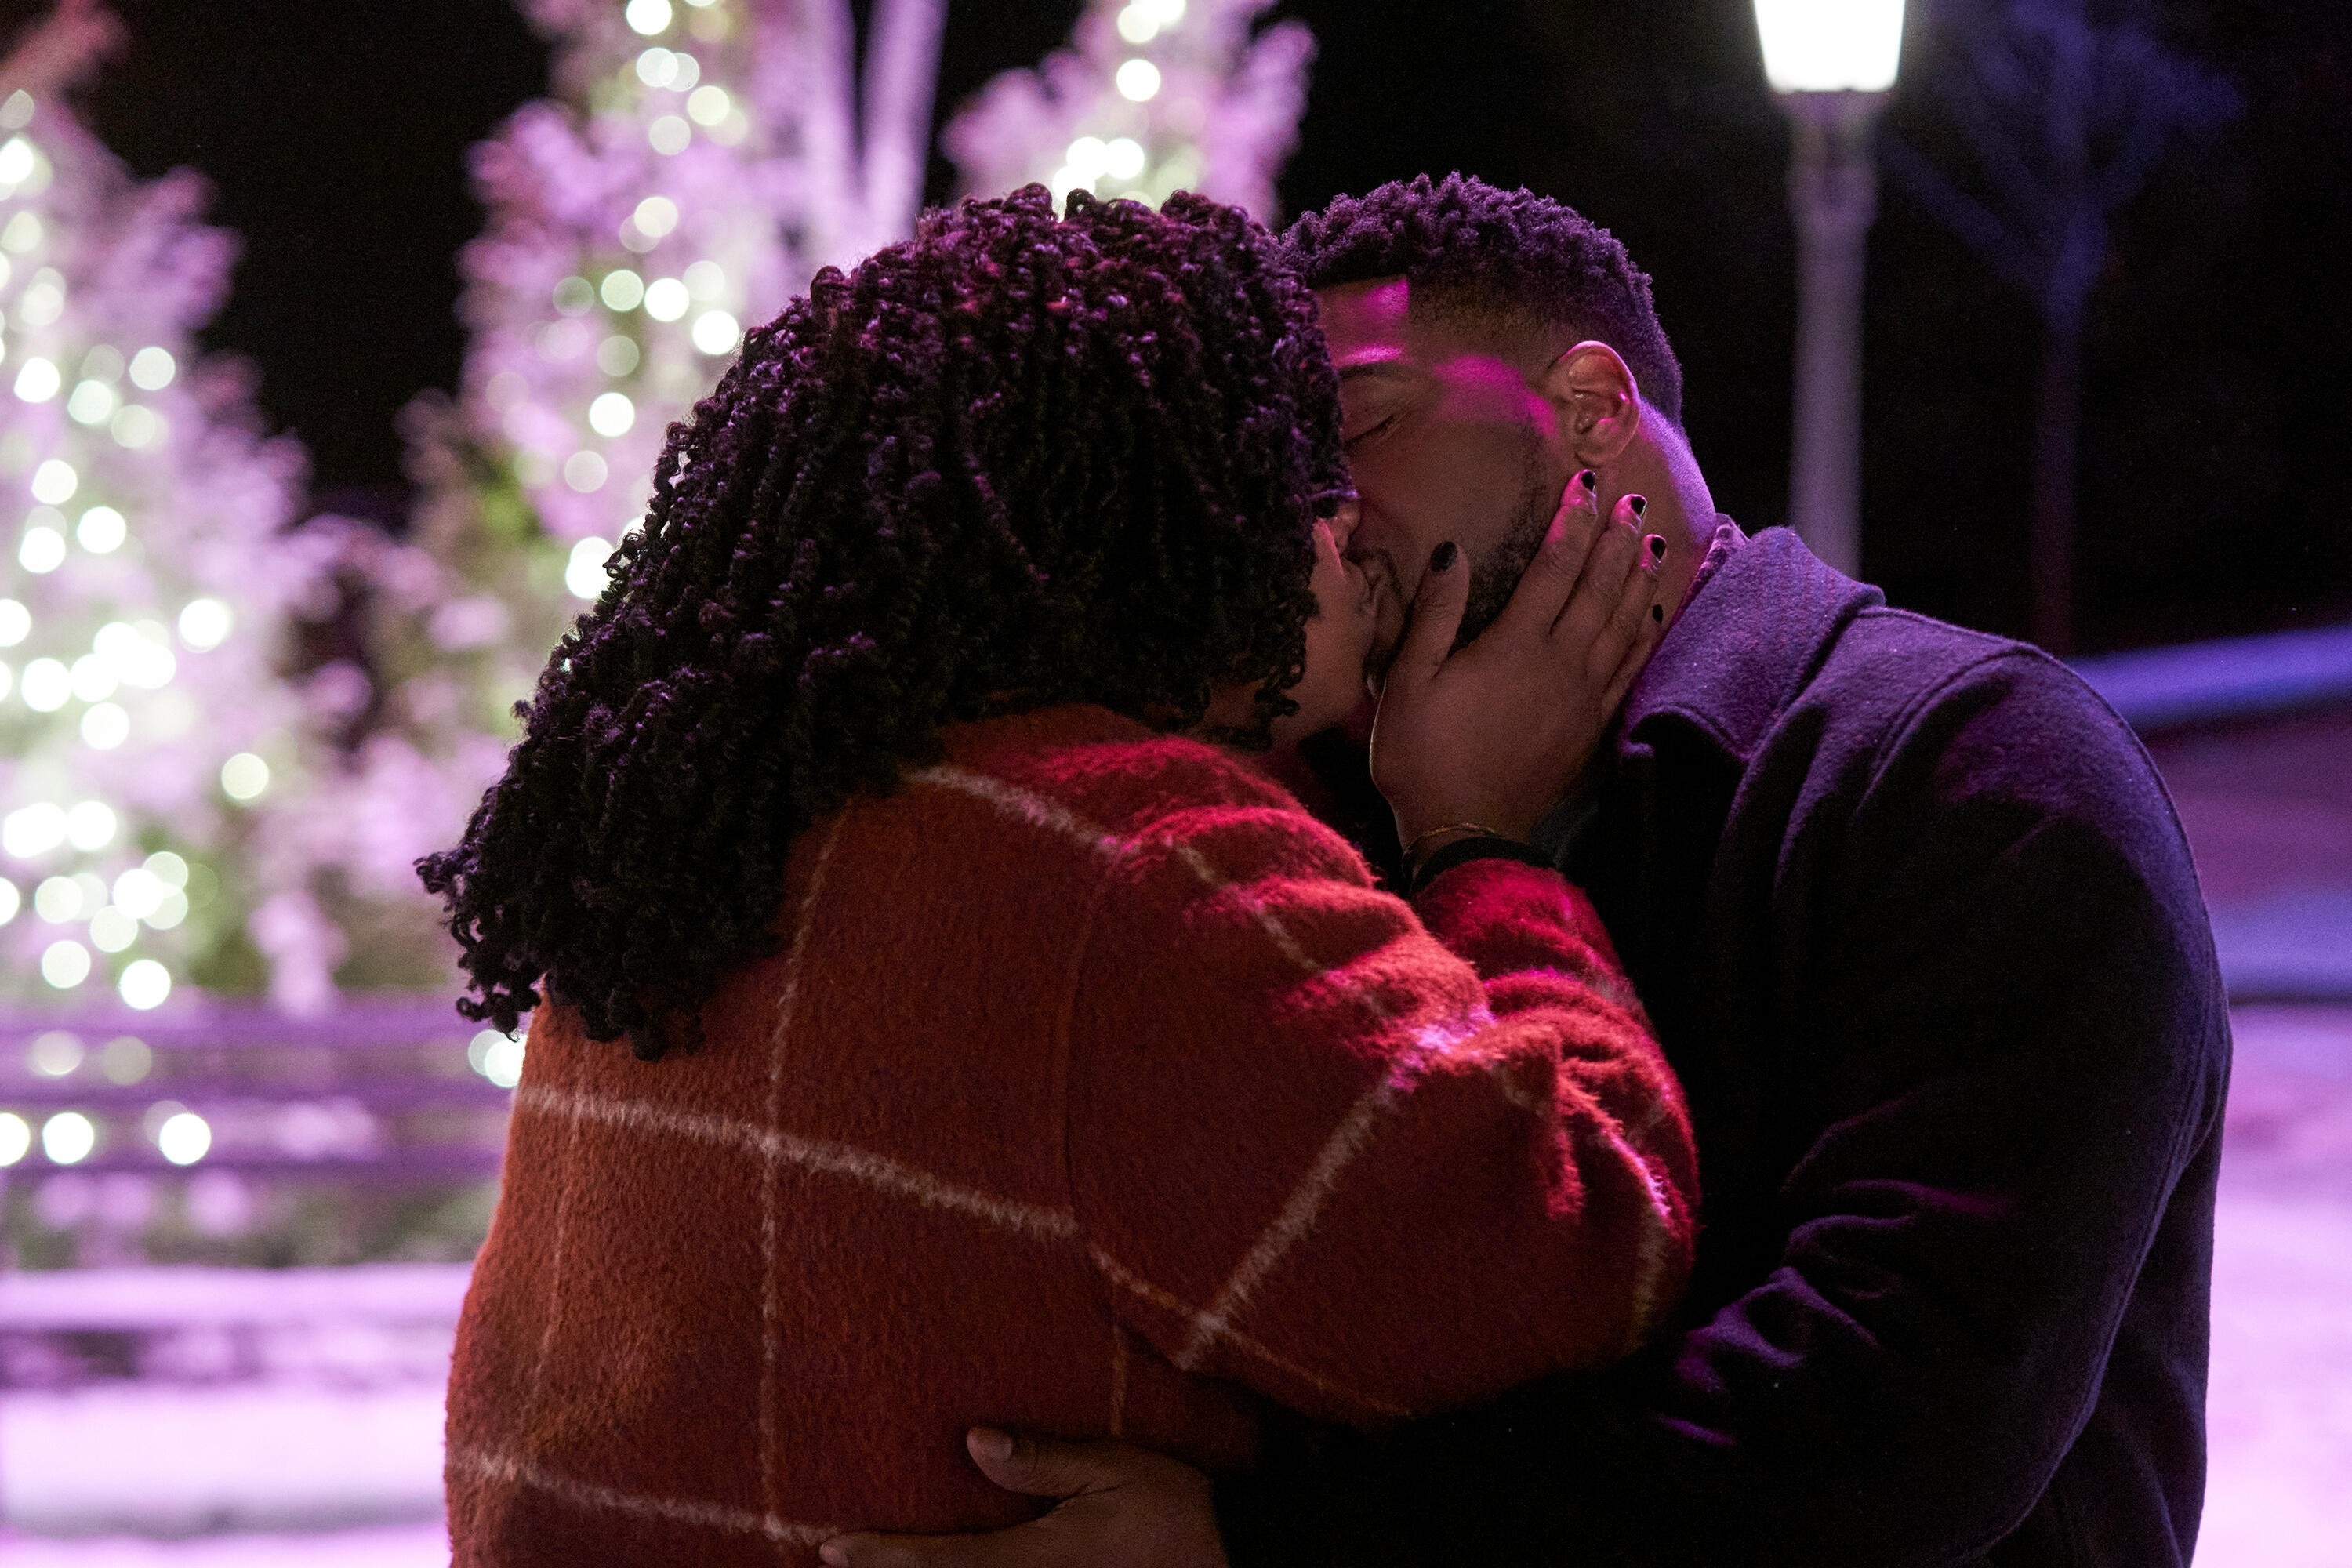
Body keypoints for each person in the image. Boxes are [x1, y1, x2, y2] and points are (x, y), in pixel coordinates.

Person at [820, 175, 2231, 1568]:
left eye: (1358, 428)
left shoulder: (1977, 771)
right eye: (1280, 472)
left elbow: (1896, 1423)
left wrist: (1275, 1546)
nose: (1315, 508)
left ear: (1592, 409)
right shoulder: (1319, 806)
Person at [424, 186, 1701, 1566]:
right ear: (1171, 517)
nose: (1348, 527)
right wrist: (1479, 838)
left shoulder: (737, 810)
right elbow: (1582, 1241)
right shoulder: (1141, 866)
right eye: (1295, 474)